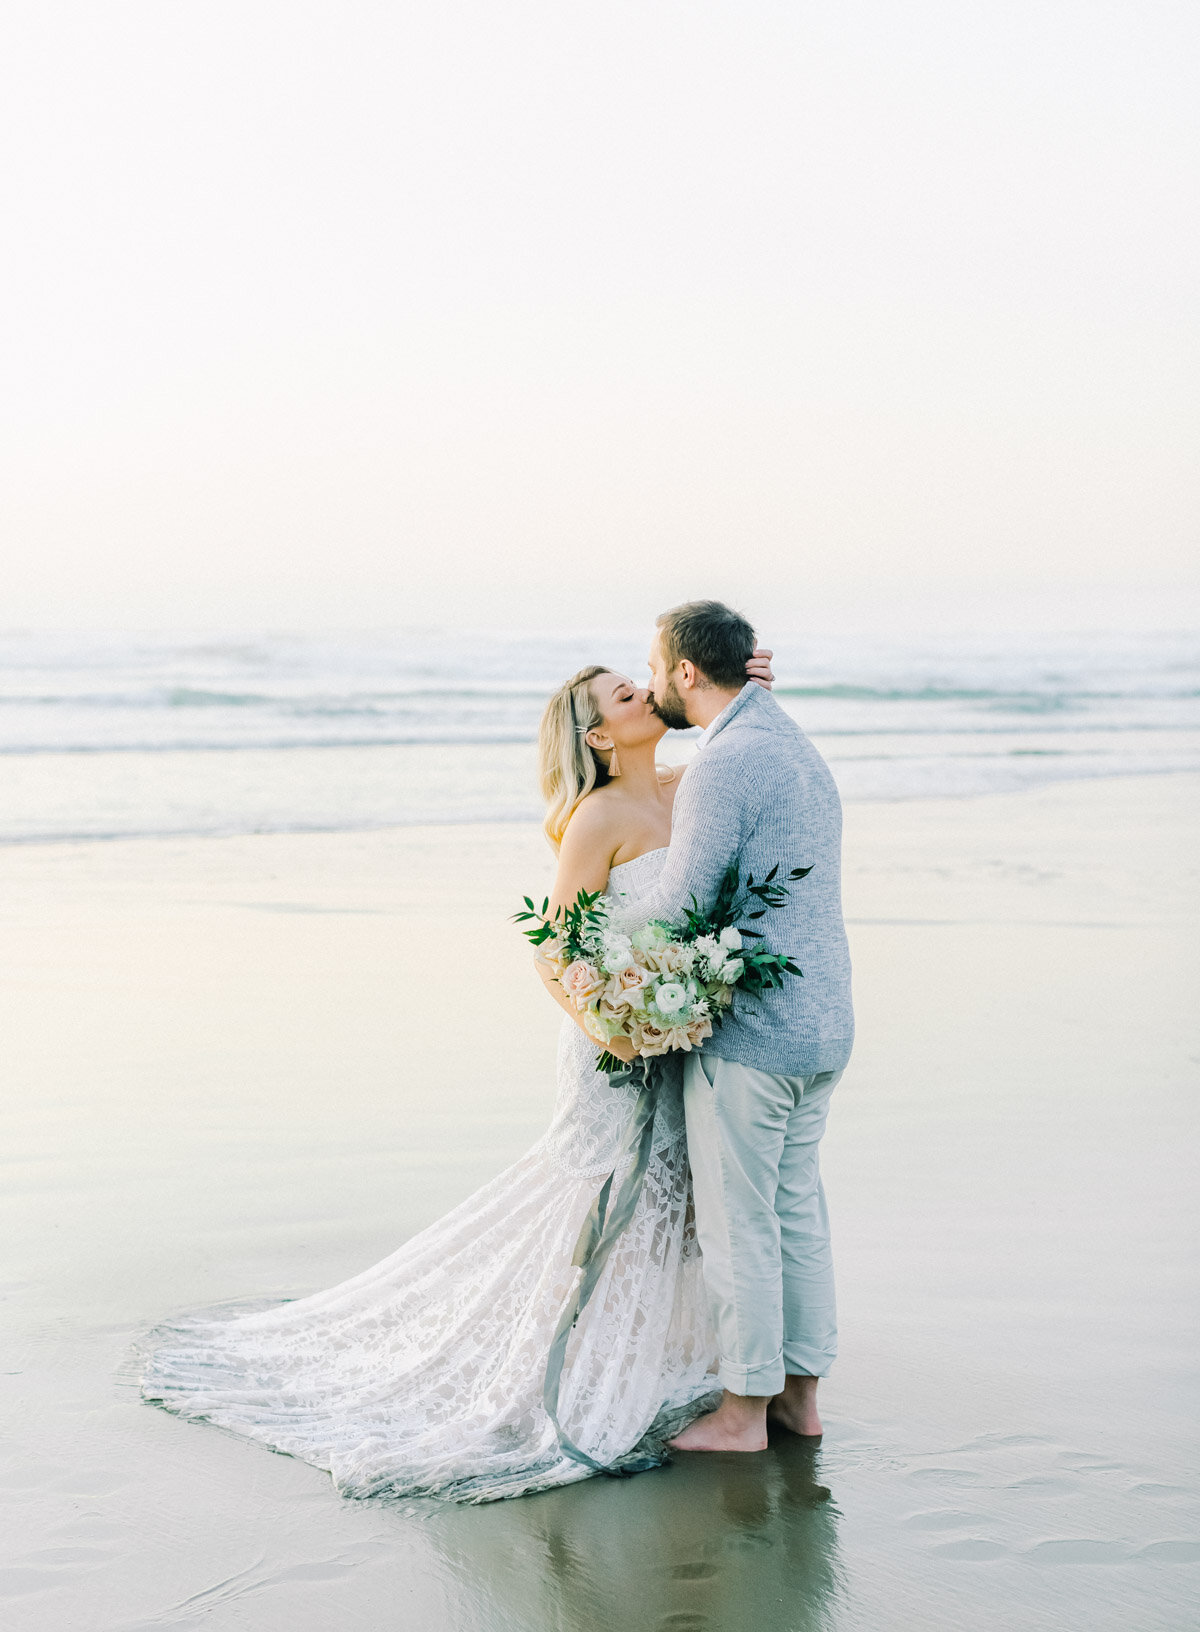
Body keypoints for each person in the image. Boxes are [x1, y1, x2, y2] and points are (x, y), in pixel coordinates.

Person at [139, 645, 775, 1503]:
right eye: (626, 692)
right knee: (601, 1199)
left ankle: (655, 1358)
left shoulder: (686, 787)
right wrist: (616, 1028)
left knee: (677, 1198)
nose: (645, 692)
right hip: (614, 1046)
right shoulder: (596, 819)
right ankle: (559, 1369)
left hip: (683, 1032)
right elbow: (555, 951)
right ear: (596, 733)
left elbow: (730, 734)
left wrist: (749, 687)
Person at [635, 600, 855, 1454]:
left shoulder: (726, 767)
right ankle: (801, 1401)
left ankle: (742, 1414)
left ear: (687, 672)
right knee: (796, 1211)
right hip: (825, 1024)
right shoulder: (791, 743)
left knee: (739, 1224)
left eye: (654, 667)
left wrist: (594, 938)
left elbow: (680, 908)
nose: (650, 680)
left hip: (757, 1036)